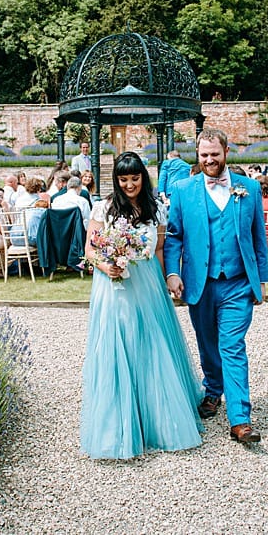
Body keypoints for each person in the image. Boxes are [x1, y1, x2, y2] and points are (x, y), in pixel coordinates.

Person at [81, 151, 203, 459]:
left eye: (135, 178)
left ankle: (160, 419)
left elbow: (160, 249)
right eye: (123, 179)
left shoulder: (156, 208)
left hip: (148, 284)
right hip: (115, 286)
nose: (130, 185)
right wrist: (106, 266)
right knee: (119, 345)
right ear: (116, 180)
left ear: (143, 178)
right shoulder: (104, 207)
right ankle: (120, 423)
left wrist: (166, 280)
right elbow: (90, 249)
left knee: (153, 345)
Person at [164, 127, 268, 445]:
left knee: (232, 346)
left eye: (215, 154)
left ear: (226, 153)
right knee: (207, 342)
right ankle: (213, 390)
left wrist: (262, 279)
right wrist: (172, 273)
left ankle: (240, 420)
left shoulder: (250, 188)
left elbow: (258, 237)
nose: (209, 160)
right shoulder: (182, 189)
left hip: (238, 283)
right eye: (204, 155)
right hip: (201, 282)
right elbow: (174, 236)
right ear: (197, 155)